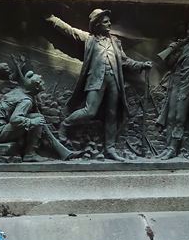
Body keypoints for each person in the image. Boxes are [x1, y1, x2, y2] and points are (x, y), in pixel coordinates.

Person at [46, 9, 152, 162]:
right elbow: (69, 30)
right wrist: (51, 18)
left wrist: (141, 65)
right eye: (105, 22)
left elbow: (124, 60)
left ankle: (110, 149)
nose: (109, 24)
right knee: (90, 110)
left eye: (109, 21)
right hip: (96, 80)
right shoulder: (89, 39)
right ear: (97, 24)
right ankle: (65, 124)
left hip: (114, 81)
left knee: (112, 115)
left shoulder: (115, 41)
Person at [0, 70, 73, 162]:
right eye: (41, 83)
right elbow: (14, 119)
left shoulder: (21, 91)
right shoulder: (26, 101)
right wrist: (32, 122)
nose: (44, 84)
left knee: (37, 117)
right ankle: (30, 154)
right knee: (36, 119)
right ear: (36, 87)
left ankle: (59, 149)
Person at [156, 21, 189, 159]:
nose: (188, 32)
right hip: (176, 82)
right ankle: (168, 147)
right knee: (171, 117)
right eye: (187, 29)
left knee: (184, 119)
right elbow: (169, 64)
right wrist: (174, 48)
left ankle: (181, 149)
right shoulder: (183, 46)